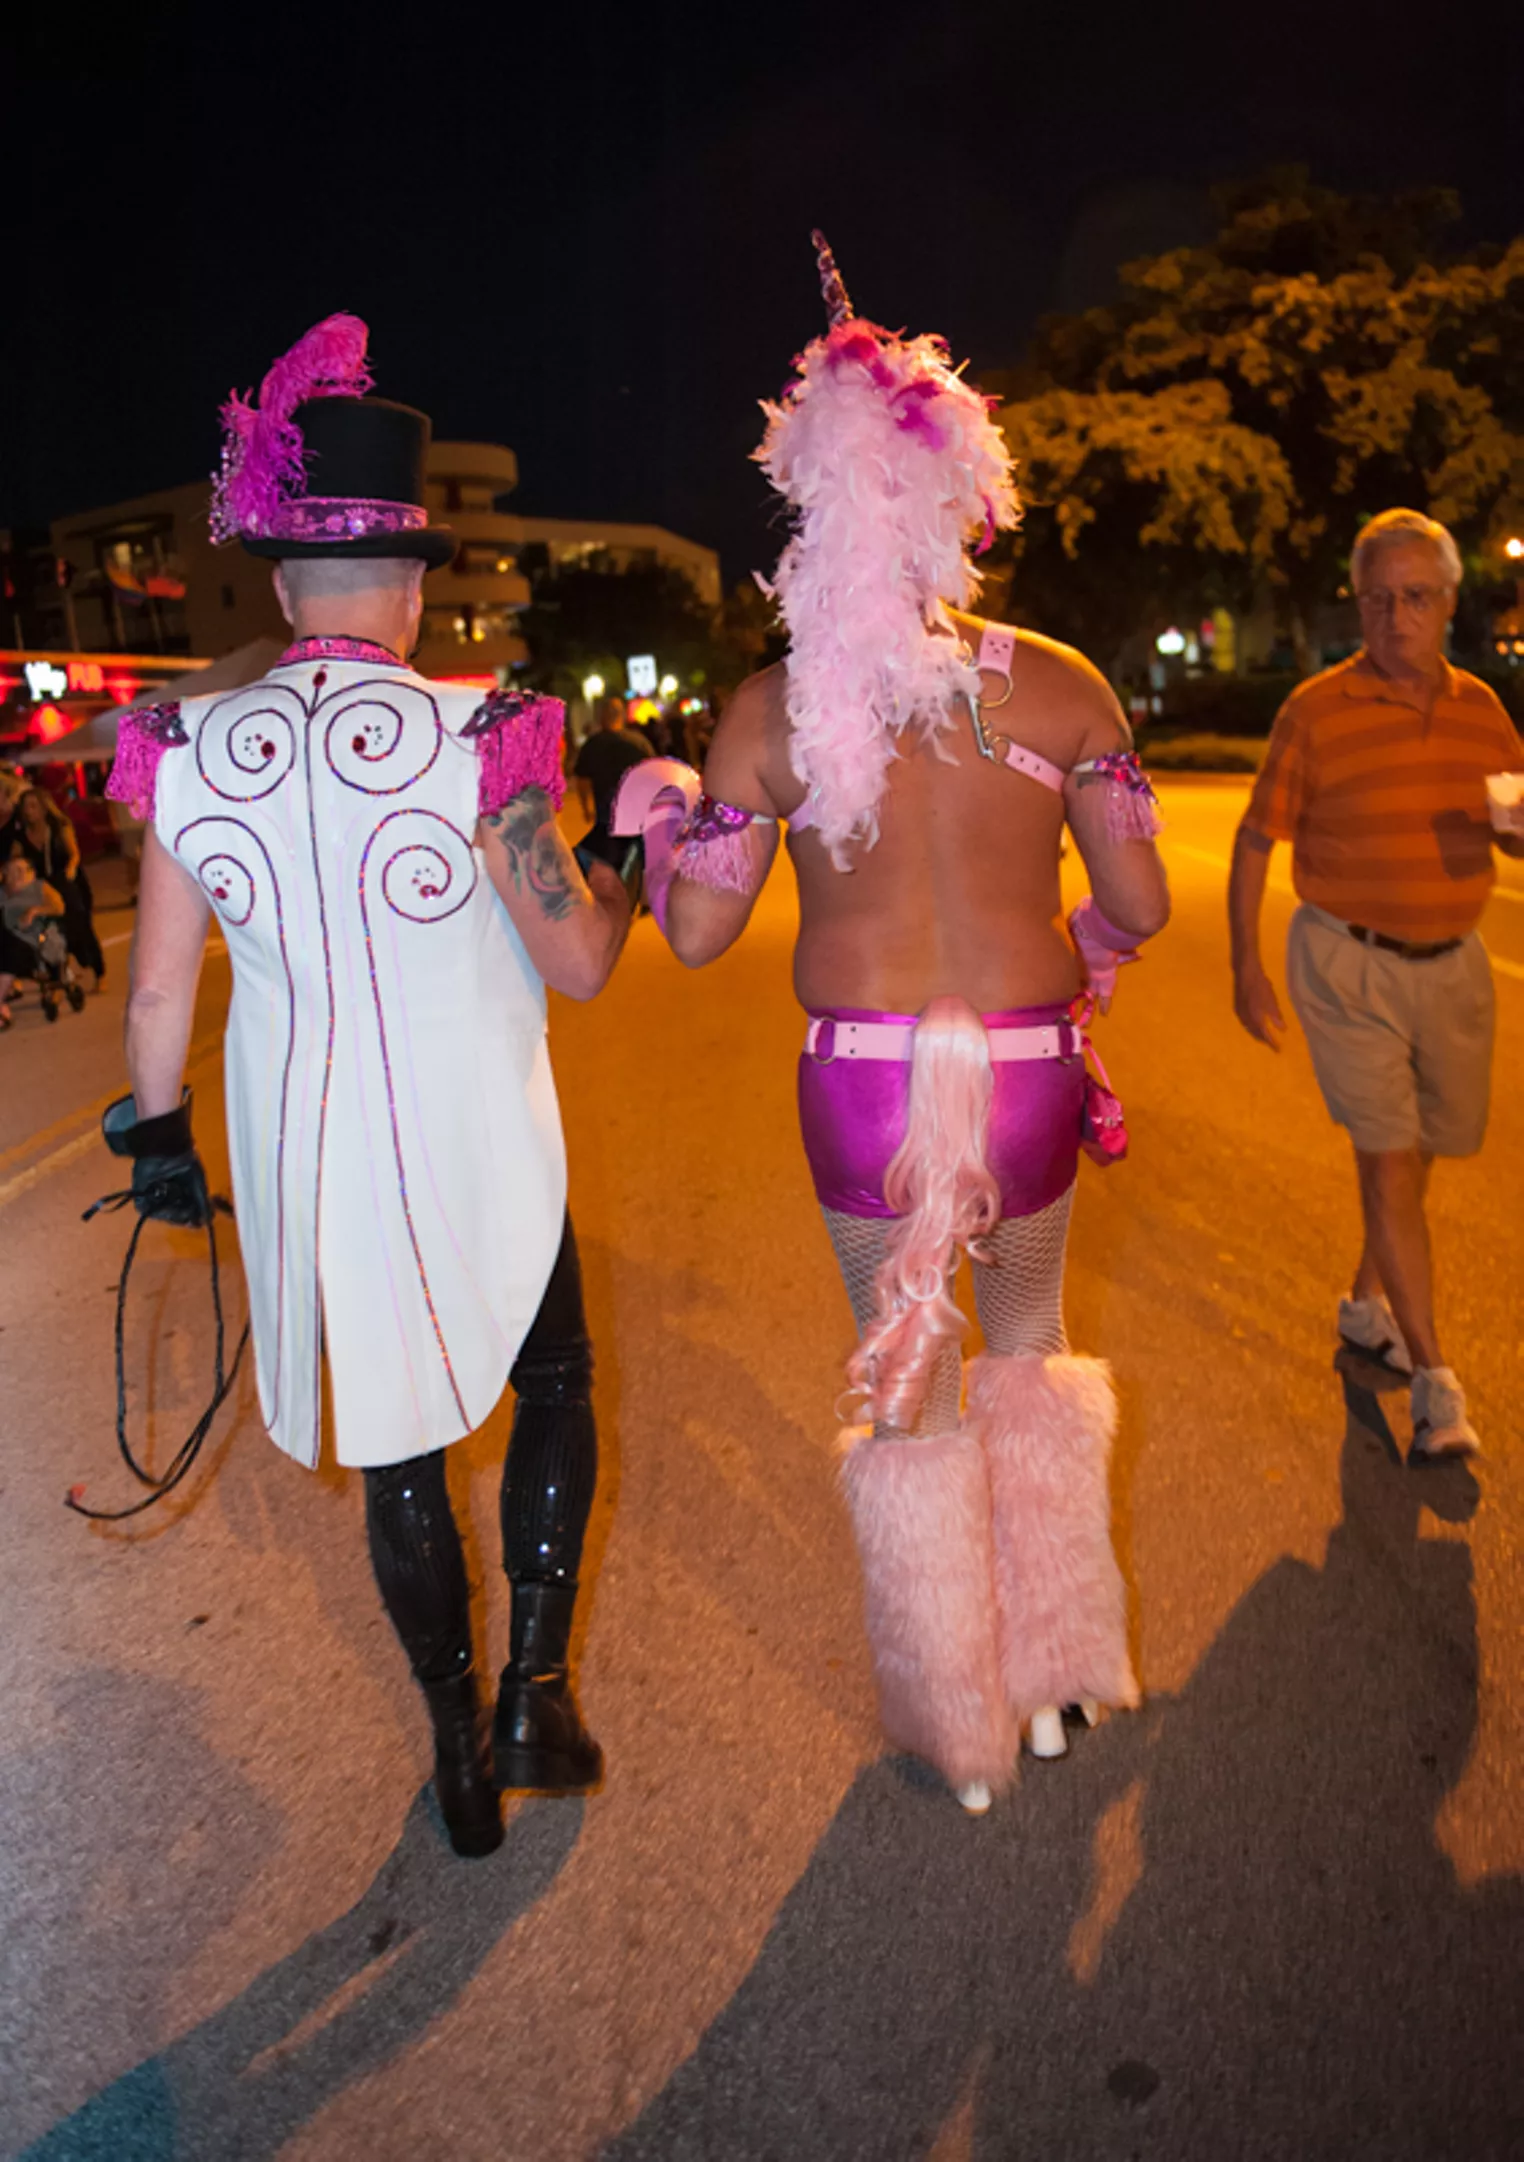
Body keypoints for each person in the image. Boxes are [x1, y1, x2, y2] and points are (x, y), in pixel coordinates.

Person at [616, 236, 1170, 1812]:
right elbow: (1141, 908)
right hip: (1025, 1074)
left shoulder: (767, 713)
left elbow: (702, 928)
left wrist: (665, 813)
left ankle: (962, 1720)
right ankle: (1057, 1676)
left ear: (811, 507)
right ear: (959, 499)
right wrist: (1072, 933)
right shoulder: (1063, 691)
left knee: (900, 1378)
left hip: (859, 1082)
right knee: (1027, 1345)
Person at [102, 314, 634, 1857]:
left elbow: (156, 993)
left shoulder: (185, 744)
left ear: (279, 586)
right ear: (412, 584)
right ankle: (539, 1685)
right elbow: (583, 964)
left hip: (311, 1160)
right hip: (486, 1144)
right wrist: (640, 862)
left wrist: (157, 1142)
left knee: (396, 1445)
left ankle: (456, 1742)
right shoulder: (489, 734)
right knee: (552, 1383)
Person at [1228, 507, 1524, 1460]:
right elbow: (1255, 836)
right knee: (1390, 1156)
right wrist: (1245, 963)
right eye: (1378, 598)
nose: (1395, 616)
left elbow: (1512, 811)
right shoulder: (1316, 709)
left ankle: (1367, 1303)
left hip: (1454, 964)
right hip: (1348, 961)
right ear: (1358, 603)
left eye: (1416, 598)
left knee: (1428, 1146)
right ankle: (1436, 1384)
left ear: (1447, 603)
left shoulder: (1482, 708)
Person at [15, 785, 106, 983]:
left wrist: (71, 868)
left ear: (43, 808)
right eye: (26, 807)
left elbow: (73, 854)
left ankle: (99, 972)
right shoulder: (21, 836)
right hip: (42, 888)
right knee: (48, 931)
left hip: (67, 882)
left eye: (33, 806)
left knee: (80, 928)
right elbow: (15, 861)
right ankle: (58, 976)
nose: (29, 811)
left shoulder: (59, 827)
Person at [573, 694, 652, 828]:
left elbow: (583, 780)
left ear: (601, 716)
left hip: (606, 812)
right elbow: (653, 774)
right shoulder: (639, 742)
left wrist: (586, 808)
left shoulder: (592, 744)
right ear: (623, 715)